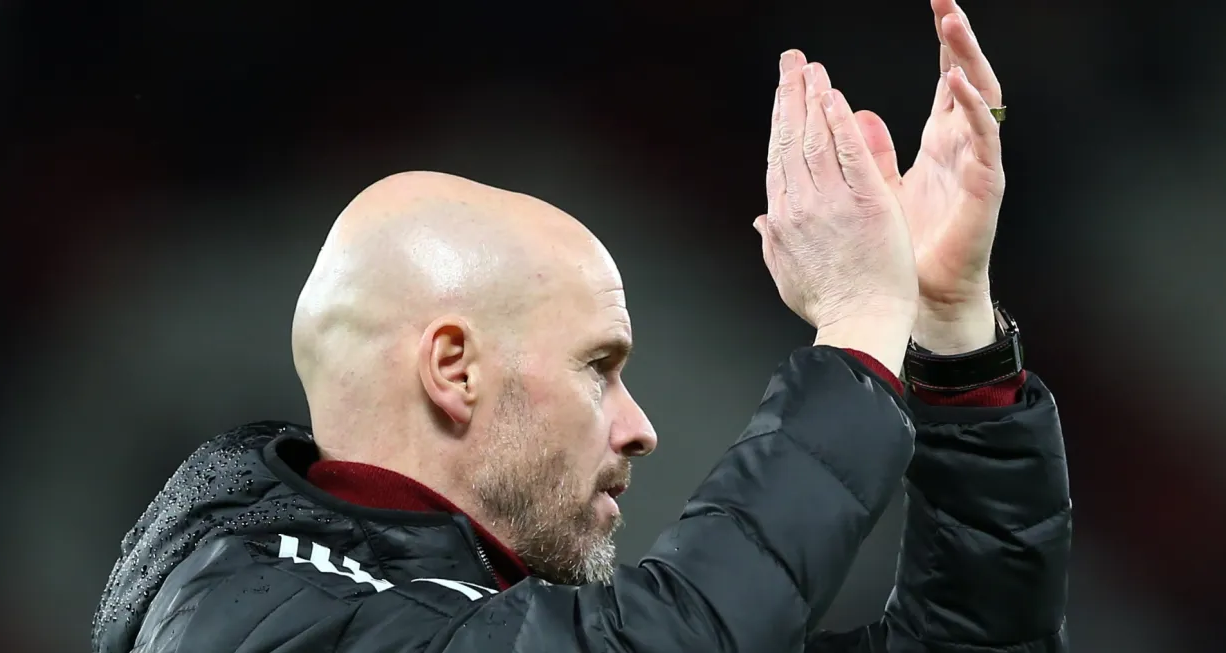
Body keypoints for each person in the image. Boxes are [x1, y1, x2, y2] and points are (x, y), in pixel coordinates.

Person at [93, 1, 1070, 651]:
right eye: (598, 366)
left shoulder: (451, 613)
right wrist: (857, 325)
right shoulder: (241, 614)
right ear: (453, 369)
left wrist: (944, 326)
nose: (638, 424)